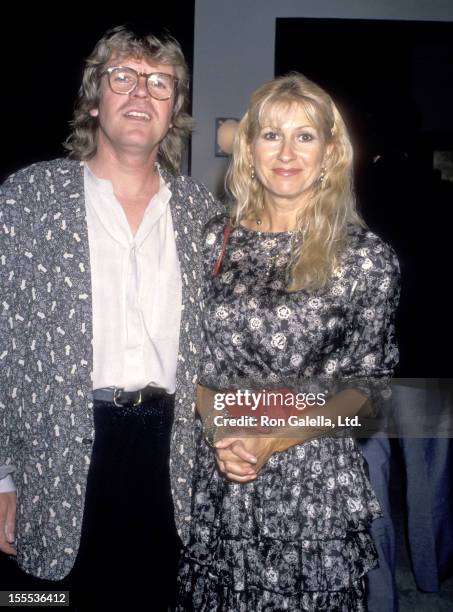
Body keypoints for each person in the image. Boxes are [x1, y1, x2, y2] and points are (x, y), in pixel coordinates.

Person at [0, 25, 221, 610]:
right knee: (41, 600)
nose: (140, 93)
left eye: (159, 83)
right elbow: (3, 344)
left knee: (152, 594)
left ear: (175, 111)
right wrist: (1, 475)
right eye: (122, 77)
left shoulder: (204, 213)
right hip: (58, 442)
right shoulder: (28, 199)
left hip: (168, 447)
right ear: (95, 99)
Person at [177, 73, 400, 611]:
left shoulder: (366, 258)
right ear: (249, 150)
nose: (287, 151)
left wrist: (273, 438)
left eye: (305, 136)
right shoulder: (212, 240)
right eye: (271, 134)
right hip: (221, 469)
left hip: (314, 484)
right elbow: (191, 365)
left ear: (329, 153)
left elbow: (368, 393)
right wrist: (223, 428)